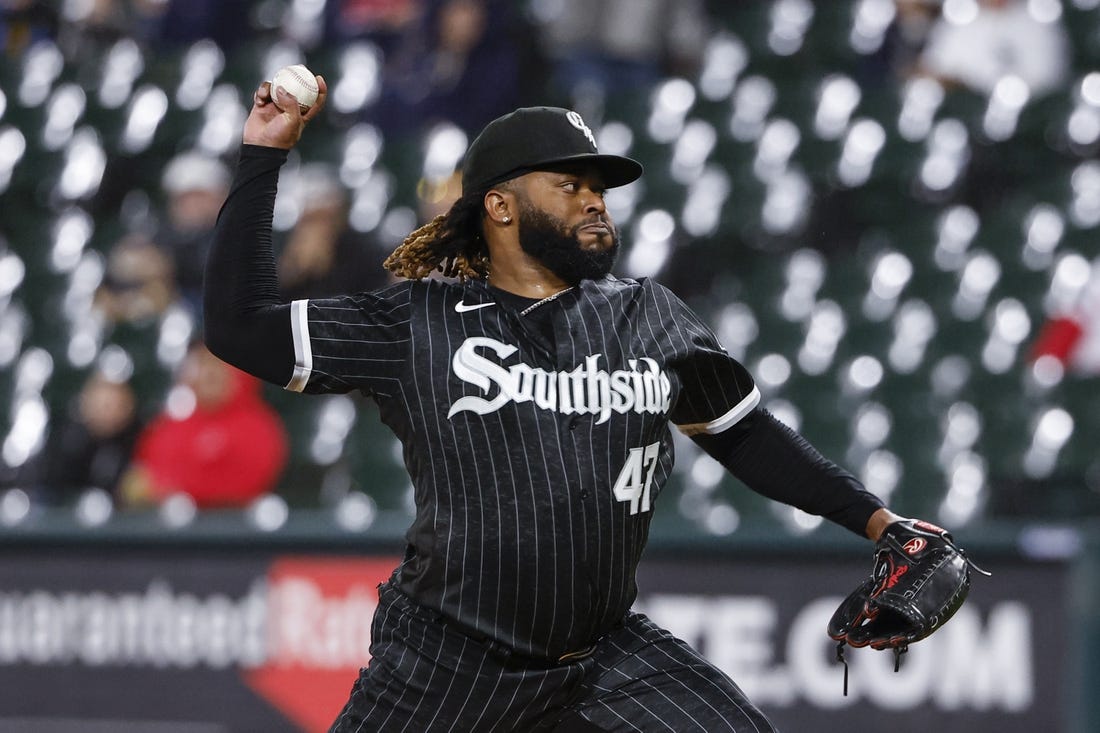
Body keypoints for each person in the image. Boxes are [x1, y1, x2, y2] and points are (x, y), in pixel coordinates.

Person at [204, 77, 915, 732]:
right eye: (570, 183)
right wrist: (263, 156)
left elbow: (748, 436)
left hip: (602, 657)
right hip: (448, 662)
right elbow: (240, 325)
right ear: (502, 204)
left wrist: (881, 523)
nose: (594, 198)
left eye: (599, 186)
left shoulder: (649, 315)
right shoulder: (419, 322)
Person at [120, 340, 288, 509]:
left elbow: (245, 486)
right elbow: (144, 478)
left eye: (220, 364)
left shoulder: (260, 425)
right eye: (201, 363)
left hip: (237, 529)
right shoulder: (170, 424)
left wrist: (176, 488)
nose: (210, 373)